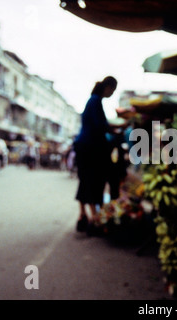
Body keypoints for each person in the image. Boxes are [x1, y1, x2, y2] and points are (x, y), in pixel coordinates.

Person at [74, 76, 118, 235]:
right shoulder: (95, 101)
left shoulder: (93, 100)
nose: (112, 93)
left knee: (85, 179)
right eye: (112, 90)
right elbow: (100, 125)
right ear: (108, 87)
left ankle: (83, 215)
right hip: (89, 147)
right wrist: (113, 129)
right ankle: (94, 218)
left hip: (84, 146)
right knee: (92, 181)